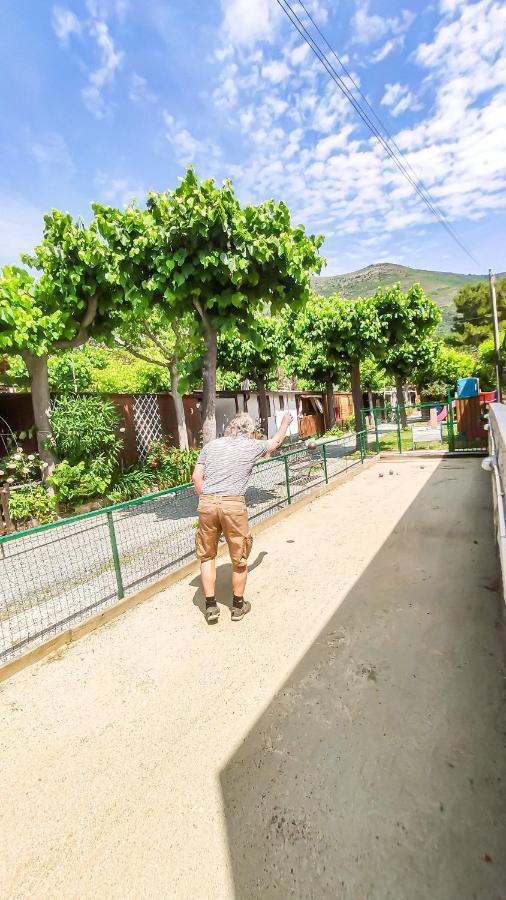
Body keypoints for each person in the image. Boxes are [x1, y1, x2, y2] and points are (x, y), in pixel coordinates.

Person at [192, 411, 294, 623]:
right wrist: (285, 422)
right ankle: (238, 606)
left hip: (207, 502)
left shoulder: (211, 446)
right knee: (239, 558)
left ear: (230, 428)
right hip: (233, 503)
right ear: (250, 431)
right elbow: (275, 443)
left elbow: (196, 477)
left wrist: (208, 499)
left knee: (207, 556)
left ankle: (210, 606)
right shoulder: (251, 445)